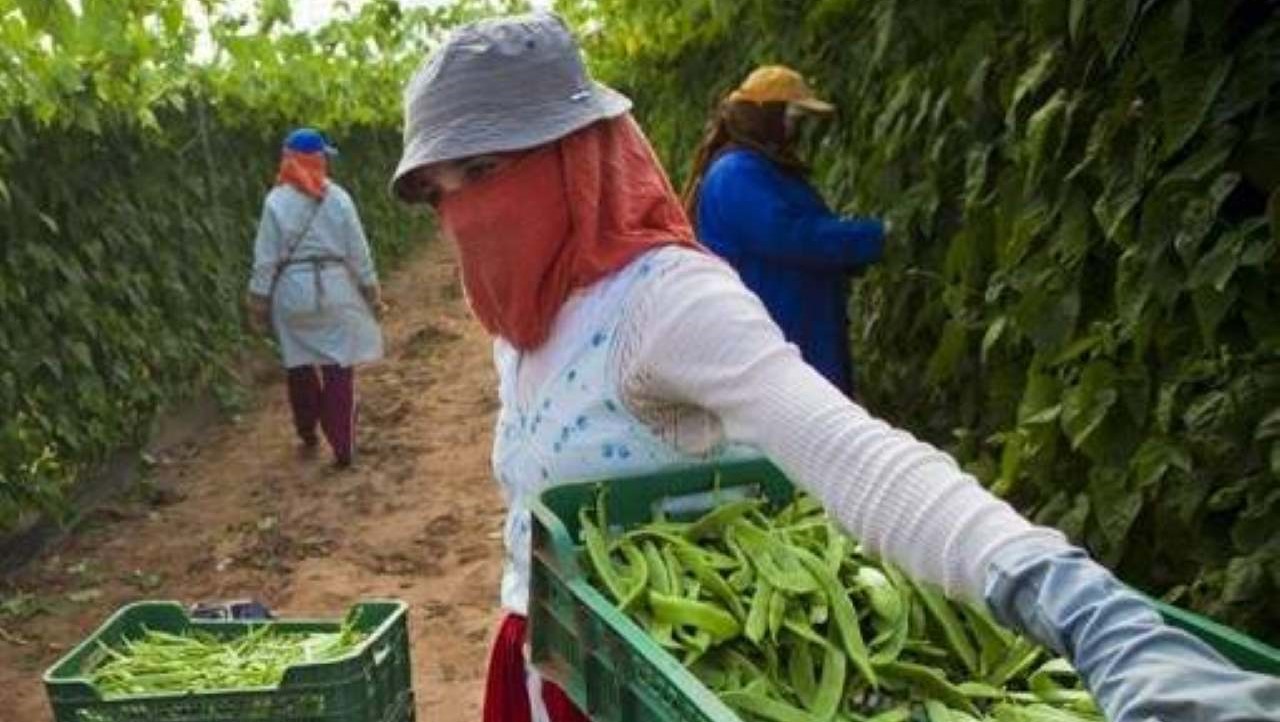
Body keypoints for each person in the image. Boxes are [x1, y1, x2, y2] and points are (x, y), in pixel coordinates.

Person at [390, 13, 1280, 722]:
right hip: (553, 648)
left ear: (571, 154)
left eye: (483, 168)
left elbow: (855, 453)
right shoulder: (524, 304)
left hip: (663, 684)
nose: (460, 209)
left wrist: (1076, 603)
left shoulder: (663, 303)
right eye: (438, 188)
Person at [683, 65, 884, 395]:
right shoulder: (737, 173)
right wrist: (875, 236)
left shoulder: (762, 168)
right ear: (766, 116)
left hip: (796, 337)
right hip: (777, 343)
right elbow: (793, 236)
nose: (796, 129)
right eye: (792, 117)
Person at [248, 128, 385, 468]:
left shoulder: (275, 201)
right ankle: (342, 446)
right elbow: (358, 252)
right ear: (319, 159)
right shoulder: (338, 197)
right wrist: (371, 293)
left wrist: (258, 301)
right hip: (336, 286)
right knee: (339, 366)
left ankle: (307, 430)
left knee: (299, 363)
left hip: (291, 292)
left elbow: (265, 259)